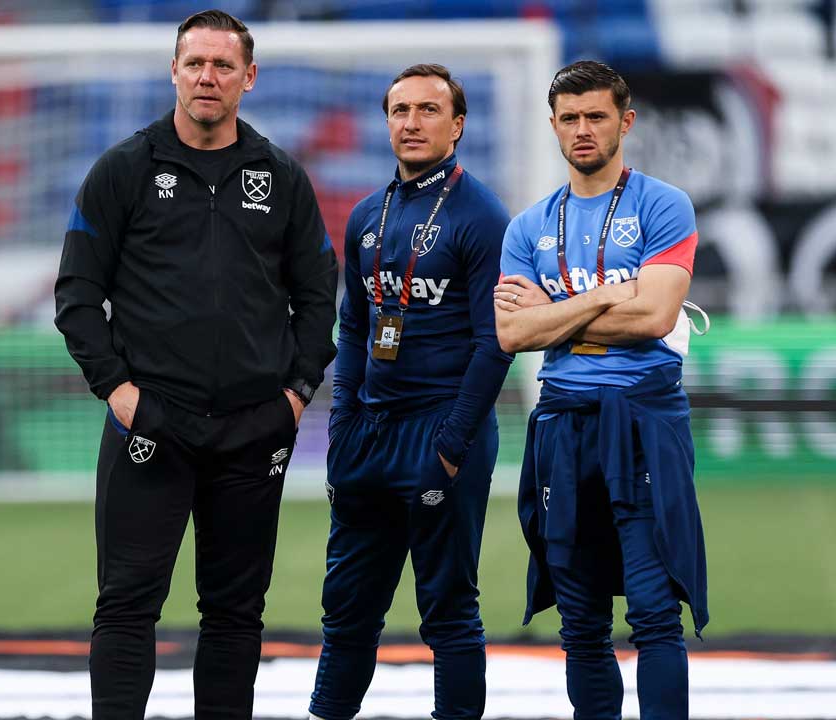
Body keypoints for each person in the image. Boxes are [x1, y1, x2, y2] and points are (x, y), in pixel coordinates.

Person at [53, 10, 337, 719]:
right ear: (173, 71)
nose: (207, 77)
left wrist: (295, 398)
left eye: (222, 65)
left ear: (248, 77)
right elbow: (77, 296)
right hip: (150, 425)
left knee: (236, 613)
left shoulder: (282, 176)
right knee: (126, 604)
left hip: (252, 431)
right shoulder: (123, 169)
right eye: (195, 63)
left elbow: (318, 298)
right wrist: (118, 392)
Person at [494, 60, 709, 720]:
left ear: (625, 121)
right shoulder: (527, 225)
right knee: (580, 621)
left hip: (642, 418)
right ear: (553, 125)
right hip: (562, 423)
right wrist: (607, 297)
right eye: (570, 118)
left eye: (595, 116)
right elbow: (510, 334)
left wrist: (556, 315)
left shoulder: (663, 204)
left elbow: (655, 317)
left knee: (652, 611)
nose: (582, 130)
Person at [308, 64, 512, 720]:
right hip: (369, 435)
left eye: (428, 109)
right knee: (345, 615)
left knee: (449, 614)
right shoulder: (367, 214)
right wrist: (342, 426)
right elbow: (355, 325)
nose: (411, 121)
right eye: (400, 109)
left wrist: (451, 444)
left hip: (442, 430)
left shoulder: (481, 216)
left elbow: (495, 342)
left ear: (456, 125)